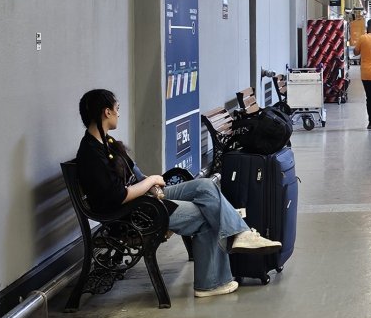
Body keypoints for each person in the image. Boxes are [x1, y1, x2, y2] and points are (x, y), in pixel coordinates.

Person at [75, 89, 280, 299]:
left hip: (144, 200)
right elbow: (118, 197)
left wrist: (151, 185)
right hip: (133, 213)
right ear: (106, 112)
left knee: (205, 186)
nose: (119, 113)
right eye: (117, 109)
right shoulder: (91, 154)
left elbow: (134, 172)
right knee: (207, 213)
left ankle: (240, 235)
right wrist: (151, 182)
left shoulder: (105, 143)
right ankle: (210, 281)